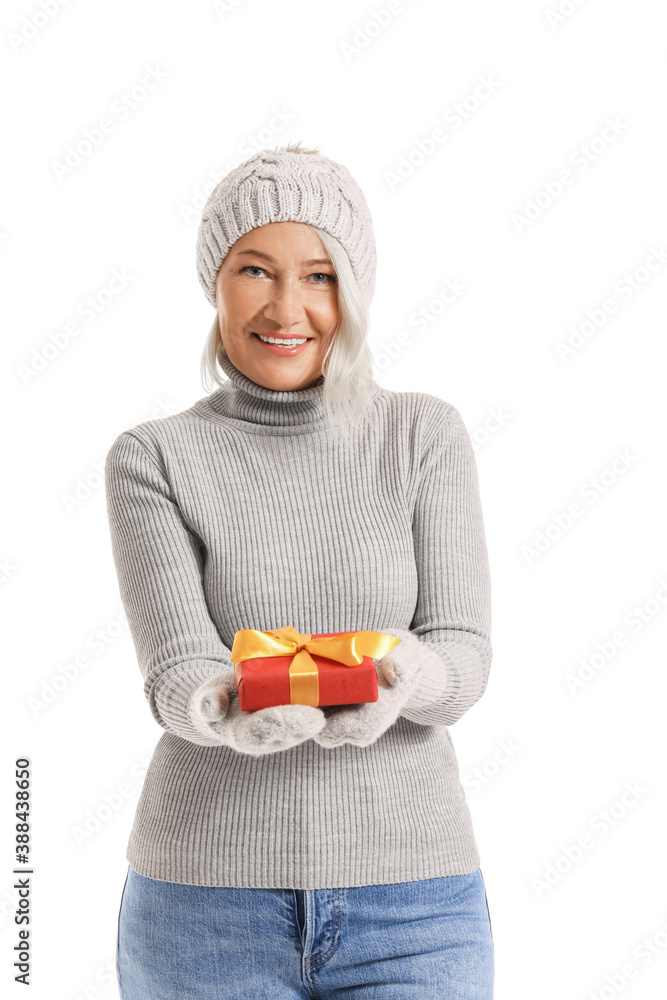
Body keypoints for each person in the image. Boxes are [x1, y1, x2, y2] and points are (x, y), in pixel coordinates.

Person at [106, 141, 495, 999]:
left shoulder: (421, 435)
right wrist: (228, 706)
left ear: (352, 293)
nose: (287, 306)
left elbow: (462, 656)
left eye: (319, 276)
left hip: (415, 906)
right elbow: (178, 670)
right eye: (255, 269)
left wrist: (400, 678)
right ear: (214, 281)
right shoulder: (155, 458)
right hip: (201, 907)